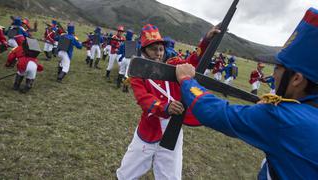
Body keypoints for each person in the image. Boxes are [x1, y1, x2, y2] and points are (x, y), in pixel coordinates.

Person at [174, 7, 318, 179]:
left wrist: (187, 81)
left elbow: (218, 112)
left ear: (296, 79)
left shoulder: (281, 117)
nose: (273, 74)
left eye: (278, 68)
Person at [116, 24, 215, 180]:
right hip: (149, 127)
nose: (158, 53)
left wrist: (207, 41)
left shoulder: (174, 65)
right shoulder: (137, 73)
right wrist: (164, 107)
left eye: (160, 49)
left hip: (173, 128)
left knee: (171, 176)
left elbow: (192, 62)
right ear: (144, 51)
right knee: (127, 173)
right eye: (153, 49)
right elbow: (143, 99)